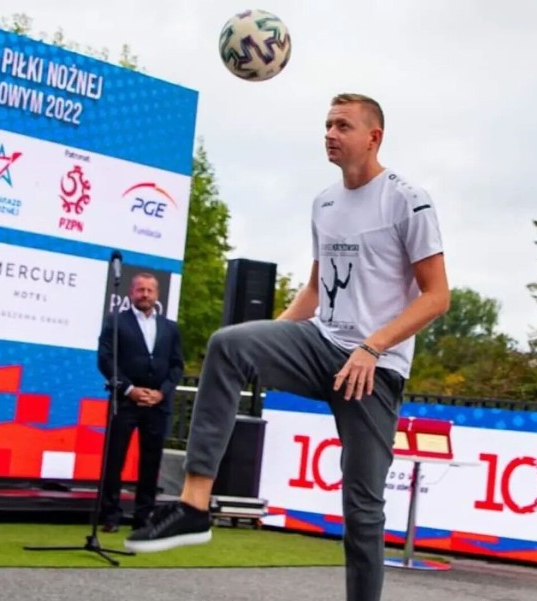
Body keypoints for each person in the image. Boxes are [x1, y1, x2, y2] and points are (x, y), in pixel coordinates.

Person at [124, 94, 451, 601]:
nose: (330, 133)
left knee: (363, 512)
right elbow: (317, 289)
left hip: (375, 367)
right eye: (326, 124)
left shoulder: (408, 199)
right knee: (229, 345)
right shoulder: (324, 202)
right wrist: (271, 339)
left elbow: (437, 296)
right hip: (322, 342)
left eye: (342, 125)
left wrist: (373, 346)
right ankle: (192, 506)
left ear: (374, 137)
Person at [97, 273, 184, 532]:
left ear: (157, 295)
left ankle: (143, 516)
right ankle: (110, 516)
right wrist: (129, 389)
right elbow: (105, 360)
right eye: (140, 290)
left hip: (157, 406)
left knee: (151, 462)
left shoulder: (170, 328)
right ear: (131, 294)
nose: (145, 294)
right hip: (125, 403)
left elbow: (176, 365)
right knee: (115, 460)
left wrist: (162, 393)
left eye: (149, 290)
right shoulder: (115, 322)